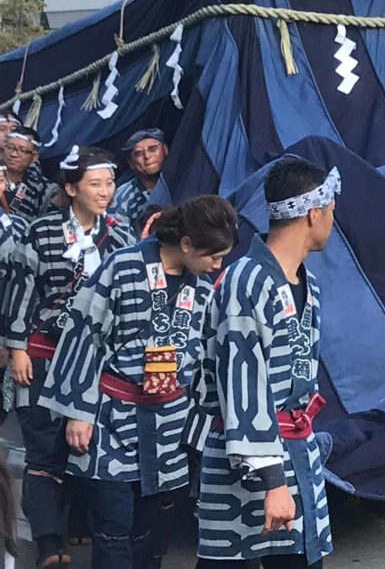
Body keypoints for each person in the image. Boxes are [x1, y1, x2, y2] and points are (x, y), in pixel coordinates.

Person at [39, 196, 239, 569]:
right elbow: (84, 333)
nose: (218, 264)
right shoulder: (124, 266)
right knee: (113, 525)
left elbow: (206, 358)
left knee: (149, 529)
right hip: (112, 417)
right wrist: (78, 413)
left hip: (169, 423)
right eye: (214, 256)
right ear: (186, 244)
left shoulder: (203, 287)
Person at [192, 156, 337, 568]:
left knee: (300, 558)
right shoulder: (247, 281)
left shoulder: (308, 285)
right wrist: (273, 482)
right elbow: (243, 387)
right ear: (314, 214)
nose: (332, 220)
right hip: (250, 460)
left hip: (297, 452)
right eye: (331, 211)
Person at [6, 146, 136, 568]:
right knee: (44, 448)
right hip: (44, 353)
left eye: (109, 183)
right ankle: (48, 542)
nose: (105, 191)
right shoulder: (40, 231)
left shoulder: (121, 234)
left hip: (97, 360)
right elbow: (21, 291)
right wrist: (18, 348)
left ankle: (84, 523)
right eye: (95, 184)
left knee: (88, 443)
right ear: (71, 188)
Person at [0, 126, 56, 228]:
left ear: (34, 157)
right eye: (10, 147)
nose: (13, 154)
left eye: (22, 150)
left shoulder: (44, 189)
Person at [111, 128, 169, 226]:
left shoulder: (184, 182)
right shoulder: (122, 197)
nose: (147, 156)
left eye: (153, 149)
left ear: (165, 150)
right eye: (138, 153)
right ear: (131, 162)